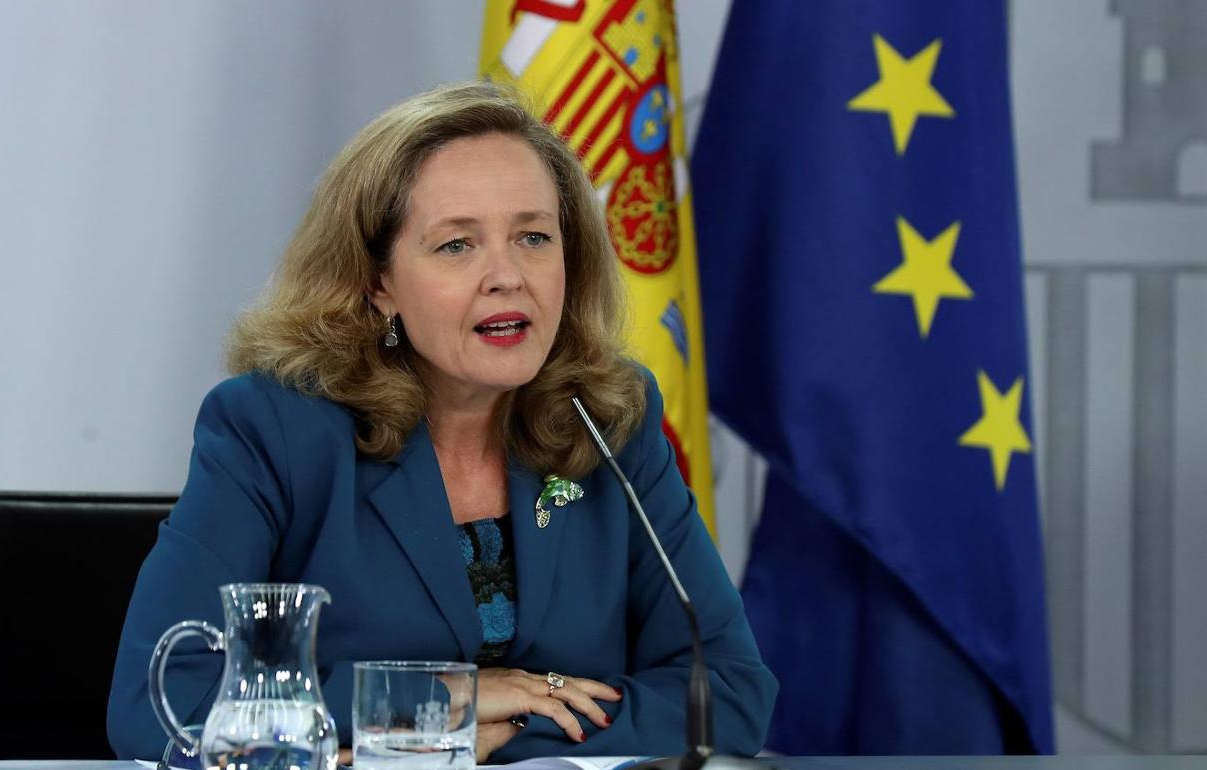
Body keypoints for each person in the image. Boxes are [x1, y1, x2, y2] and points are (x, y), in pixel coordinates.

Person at [106, 81, 777, 763]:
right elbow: (160, 705)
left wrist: (489, 737)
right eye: (457, 245)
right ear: (378, 284)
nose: (507, 276)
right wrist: (442, 699)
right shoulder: (275, 429)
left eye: (534, 237)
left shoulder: (607, 418)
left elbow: (726, 693)